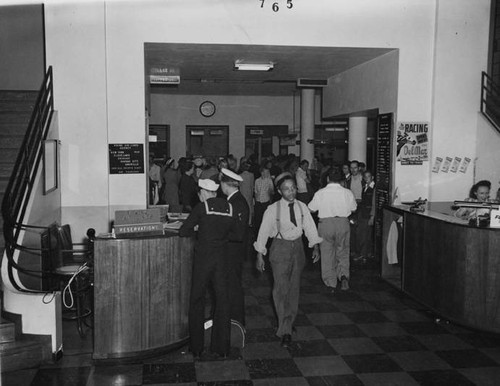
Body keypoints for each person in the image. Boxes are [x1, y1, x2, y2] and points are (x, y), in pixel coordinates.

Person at [254, 173, 322, 347]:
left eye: (293, 188)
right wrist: (260, 254)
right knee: (280, 289)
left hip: (298, 248)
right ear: (279, 191)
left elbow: (310, 227)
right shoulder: (273, 209)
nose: (291, 192)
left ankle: (288, 322)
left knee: (293, 288)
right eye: (286, 189)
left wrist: (315, 246)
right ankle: (285, 330)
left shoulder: (301, 206)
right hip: (279, 248)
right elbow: (262, 232)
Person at [179, 179, 240, 359]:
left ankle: (197, 346)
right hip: (221, 259)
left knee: (197, 299)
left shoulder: (202, 208)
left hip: (203, 259)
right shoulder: (230, 208)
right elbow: (237, 234)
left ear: (203, 193)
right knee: (222, 300)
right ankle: (222, 348)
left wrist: (200, 228)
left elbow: (183, 231)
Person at [308, 168, 357, 292]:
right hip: (343, 223)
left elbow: (311, 209)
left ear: (328, 179)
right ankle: (344, 276)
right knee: (343, 251)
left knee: (327, 253)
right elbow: (354, 209)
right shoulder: (347, 192)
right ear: (340, 179)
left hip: (326, 224)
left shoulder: (320, 193)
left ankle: (331, 283)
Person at [220, 168, 249, 326]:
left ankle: (237, 322)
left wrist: (219, 235)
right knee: (230, 286)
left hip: (233, 252)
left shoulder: (236, 203)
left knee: (234, 288)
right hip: (231, 251)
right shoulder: (233, 200)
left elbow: (238, 234)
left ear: (226, 184)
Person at [357, 170, 376, 261]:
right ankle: (365, 254)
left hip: (368, 214)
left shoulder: (374, 188)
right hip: (363, 213)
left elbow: (374, 203)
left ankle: (364, 254)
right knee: (363, 234)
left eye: (368, 176)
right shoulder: (365, 187)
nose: (366, 178)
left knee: (365, 235)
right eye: (365, 177)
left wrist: (372, 216)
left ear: (372, 177)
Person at [254, 166, 274, 231]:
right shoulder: (257, 180)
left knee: (265, 219)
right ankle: (256, 234)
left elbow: (272, 191)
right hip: (258, 202)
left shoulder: (269, 180)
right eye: (266, 172)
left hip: (266, 201)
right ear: (262, 172)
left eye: (268, 172)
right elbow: (255, 191)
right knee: (257, 219)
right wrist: (255, 201)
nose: (267, 173)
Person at [239, 162, 254, 226]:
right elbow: (252, 184)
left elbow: (239, 185)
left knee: (242, 206)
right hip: (249, 192)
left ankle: (243, 220)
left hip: (242, 192)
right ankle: (249, 221)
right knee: (249, 206)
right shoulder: (251, 175)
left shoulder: (240, 175)